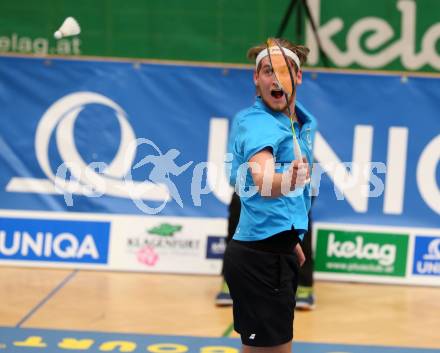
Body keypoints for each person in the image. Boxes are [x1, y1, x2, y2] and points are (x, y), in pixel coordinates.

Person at [221, 38, 317, 352]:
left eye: (285, 71)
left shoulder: (298, 120)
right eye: (267, 71)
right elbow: (261, 178)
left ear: (298, 77)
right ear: (256, 79)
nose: (276, 79)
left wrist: (291, 238)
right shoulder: (259, 123)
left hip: (277, 251)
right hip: (261, 261)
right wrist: (287, 179)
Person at [216, 193, 316, 310]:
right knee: (239, 203)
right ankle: (232, 280)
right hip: (254, 181)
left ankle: (303, 283)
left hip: (294, 181)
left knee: (299, 206)